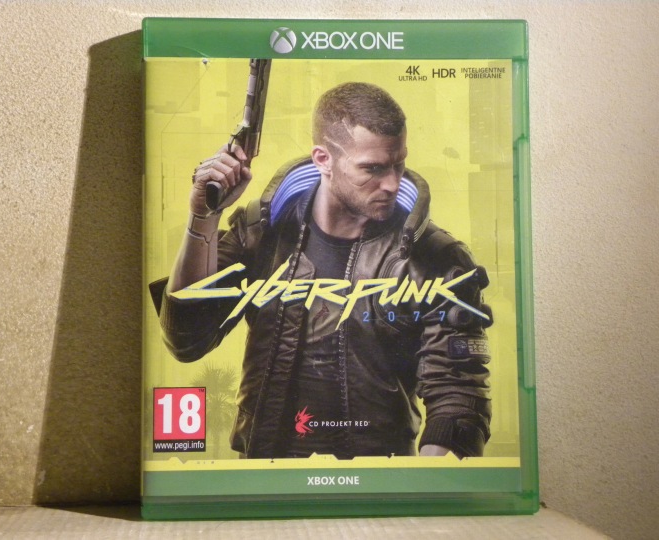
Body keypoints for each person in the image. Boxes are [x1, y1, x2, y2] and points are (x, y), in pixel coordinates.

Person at [154, 82, 492, 459]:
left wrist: (421, 483)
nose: (392, 183)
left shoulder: (437, 258)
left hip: (379, 478)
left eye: (398, 164)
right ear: (323, 160)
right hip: (263, 473)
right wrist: (203, 216)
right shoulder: (261, 232)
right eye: (373, 168)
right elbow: (186, 339)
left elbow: (459, 399)